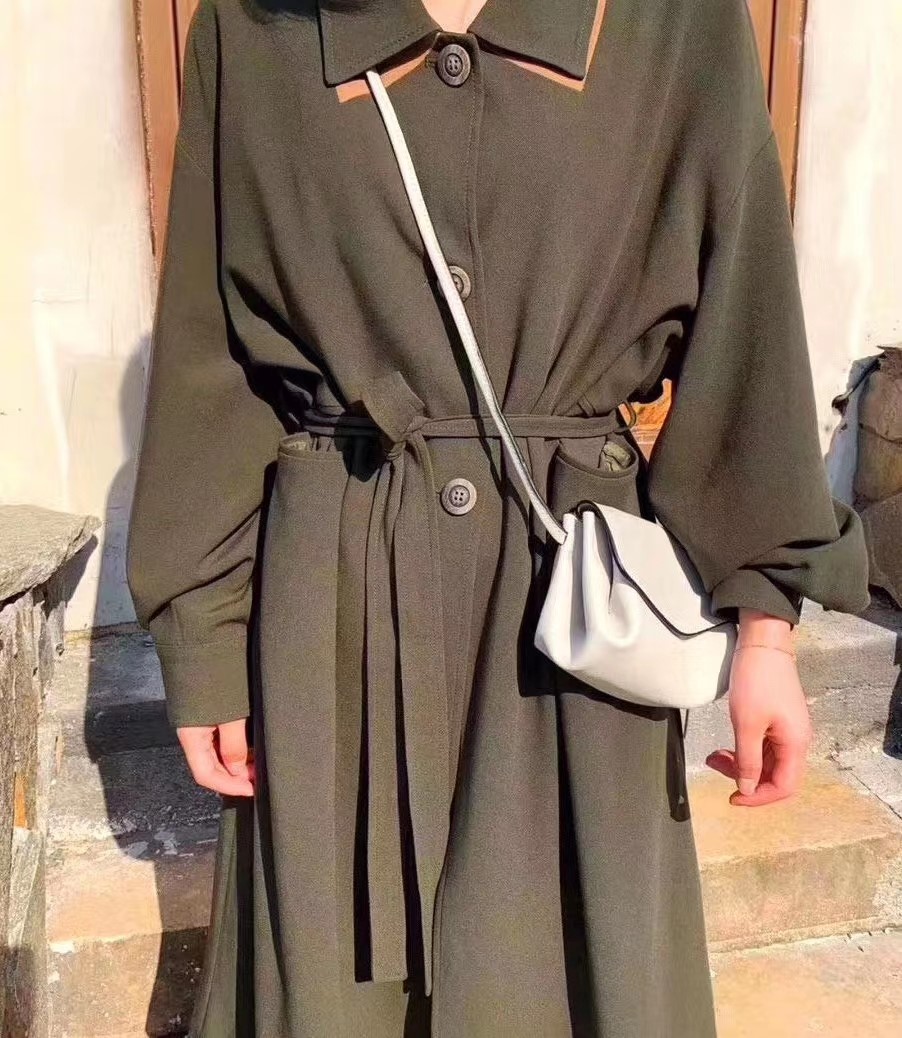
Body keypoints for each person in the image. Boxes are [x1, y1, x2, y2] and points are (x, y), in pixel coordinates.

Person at [126, 1, 870, 1035]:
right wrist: (204, 638)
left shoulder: (675, 22)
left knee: (572, 976)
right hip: (332, 609)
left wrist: (766, 628)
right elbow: (213, 362)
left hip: (569, 612)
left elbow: (743, 325)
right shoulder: (255, 28)